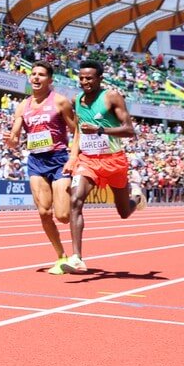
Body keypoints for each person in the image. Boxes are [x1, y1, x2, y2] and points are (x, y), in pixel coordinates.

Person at [64, 60, 146, 273]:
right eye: (81, 78)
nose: (85, 82)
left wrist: (100, 130)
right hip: (88, 160)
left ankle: (136, 197)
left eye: (89, 78)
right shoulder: (78, 100)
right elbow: (78, 132)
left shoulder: (111, 97)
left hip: (113, 160)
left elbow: (129, 130)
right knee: (75, 200)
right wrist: (73, 158)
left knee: (124, 212)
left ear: (100, 78)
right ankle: (76, 258)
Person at [7, 61, 80, 274]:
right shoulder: (23, 106)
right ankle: (60, 257)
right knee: (43, 212)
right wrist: (10, 141)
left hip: (59, 159)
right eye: (33, 74)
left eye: (41, 75)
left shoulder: (60, 102)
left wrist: (73, 157)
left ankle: (75, 200)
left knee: (63, 216)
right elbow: (14, 137)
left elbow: (77, 131)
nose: (36, 78)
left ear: (50, 80)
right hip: (36, 162)